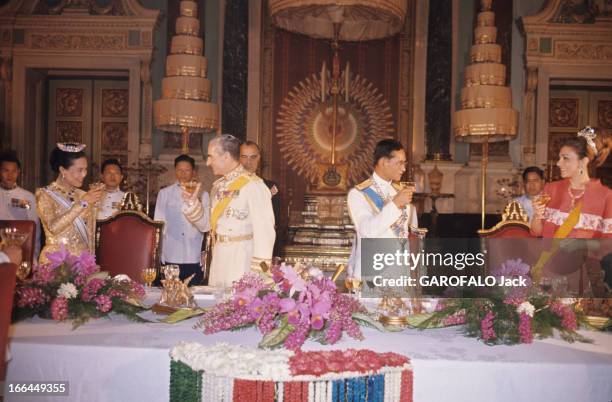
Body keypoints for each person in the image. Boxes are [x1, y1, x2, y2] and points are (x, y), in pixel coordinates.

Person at [531, 127, 612, 293]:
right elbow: (536, 232)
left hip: (583, 278)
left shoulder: (605, 196)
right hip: (547, 274)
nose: (558, 163)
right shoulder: (551, 189)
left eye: (565, 158)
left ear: (583, 162)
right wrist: (538, 217)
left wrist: (581, 244)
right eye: (559, 158)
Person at [206, 134, 275, 286]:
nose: (207, 162)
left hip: (242, 260)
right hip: (219, 259)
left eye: (211, 156)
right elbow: (207, 226)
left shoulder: (254, 186)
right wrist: (191, 205)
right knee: (217, 307)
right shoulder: (218, 186)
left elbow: (265, 232)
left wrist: (259, 274)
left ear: (225, 157)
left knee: (237, 307)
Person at [347, 139, 417, 279]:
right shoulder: (359, 194)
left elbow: (409, 235)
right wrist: (395, 204)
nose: (404, 168)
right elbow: (368, 231)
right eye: (399, 163)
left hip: (399, 275)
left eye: (405, 163)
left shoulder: (401, 191)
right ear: (384, 162)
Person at [36, 143, 104, 263]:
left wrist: (91, 262)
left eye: (85, 169)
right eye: (79, 170)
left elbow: (90, 234)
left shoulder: (83, 194)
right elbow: (53, 228)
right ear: (63, 170)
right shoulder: (45, 194)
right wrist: (83, 203)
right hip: (55, 263)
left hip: (82, 263)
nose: (84, 174)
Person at [154, 154, 210, 285]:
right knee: (170, 294)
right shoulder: (164, 194)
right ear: (175, 171)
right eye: (179, 170)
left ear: (193, 171)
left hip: (194, 253)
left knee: (194, 293)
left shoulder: (203, 194)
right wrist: (159, 252)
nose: (183, 174)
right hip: (171, 253)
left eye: (187, 170)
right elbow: (159, 224)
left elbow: (207, 225)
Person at [240, 140, 281, 253]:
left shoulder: (270, 187)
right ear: (238, 159)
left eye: (253, 157)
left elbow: (275, 224)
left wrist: (275, 253)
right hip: (235, 250)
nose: (248, 161)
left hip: (259, 249)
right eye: (244, 156)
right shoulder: (228, 186)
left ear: (259, 158)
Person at [0, 151, 41, 260]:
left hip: (20, 248)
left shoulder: (28, 197)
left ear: (18, 172)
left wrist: (34, 257)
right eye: (5, 171)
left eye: (14, 171)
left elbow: (35, 229)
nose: (10, 175)